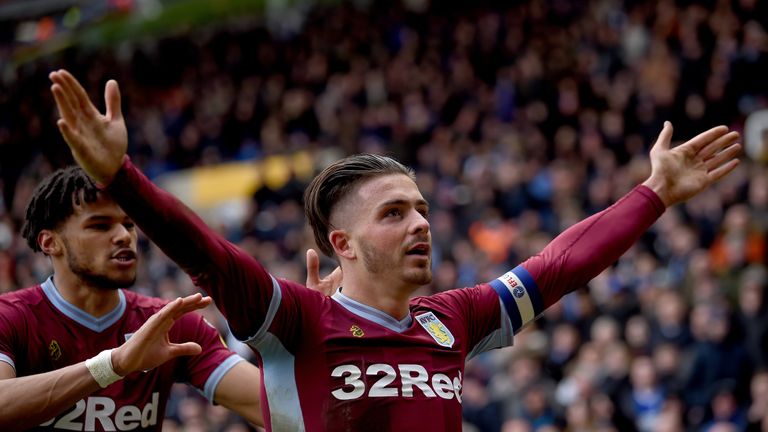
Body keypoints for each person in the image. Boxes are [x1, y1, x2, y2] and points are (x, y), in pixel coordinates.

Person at [49, 69, 742, 431]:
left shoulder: (453, 318)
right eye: (394, 213)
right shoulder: (296, 321)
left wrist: (653, 193)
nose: (420, 224)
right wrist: (120, 179)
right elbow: (207, 252)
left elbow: (558, 265)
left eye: (420, 209)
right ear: (342, 244)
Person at [0, 163, 339, 431]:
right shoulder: (12, 316)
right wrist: (112, 366)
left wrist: (307, 343)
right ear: (50, 243)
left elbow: (280, 411)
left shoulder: (171, 324)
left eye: (129, 224)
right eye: (100, 225)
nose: (122, 236)